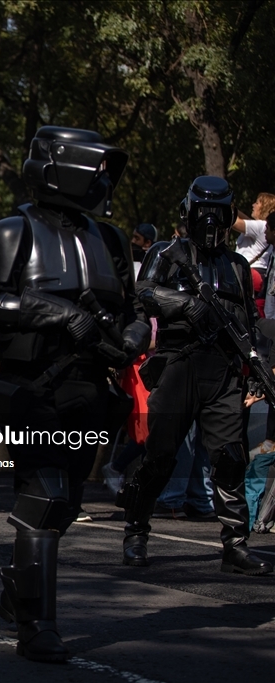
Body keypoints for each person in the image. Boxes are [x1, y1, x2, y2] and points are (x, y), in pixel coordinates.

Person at [0, 127, 149, 661]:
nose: (101, 181)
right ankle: (38, 627)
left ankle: (19, 594)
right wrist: (57, 313)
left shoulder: (111, 238)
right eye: (93, 169)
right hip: (35, 384)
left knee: (66, 502)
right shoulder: (12, 230)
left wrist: (133, 338)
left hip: (91, 385)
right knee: (45, 495)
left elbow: (135, 307)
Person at [118, 175, 273, 577]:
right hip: (178, 364)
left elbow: (249, 322)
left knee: (230, 456)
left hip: (222, 370)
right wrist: (184, 304)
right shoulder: (167, 253)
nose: (208, 221)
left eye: (216, 213)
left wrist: (257, 366)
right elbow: (143, 293)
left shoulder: (237, 265)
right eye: (202, 212)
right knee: (160, 456)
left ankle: (235, 544)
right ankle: (135, 531)